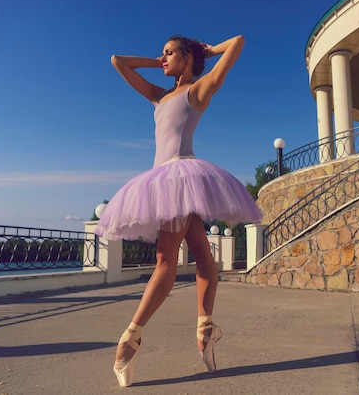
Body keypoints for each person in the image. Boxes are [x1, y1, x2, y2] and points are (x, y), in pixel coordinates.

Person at [95, 34, 262, 387]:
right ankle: (205, 330)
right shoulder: (159, 96)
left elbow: (238, 42)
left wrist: (208, 51)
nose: (163, 57)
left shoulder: (199, 90)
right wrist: (158, 62)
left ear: (187, 58)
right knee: (202, 255)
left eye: (170, 53)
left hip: (180, 175)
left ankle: (130, 338)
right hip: (161, 179)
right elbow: (117, 60)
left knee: (165, 259)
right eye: (163, 53)